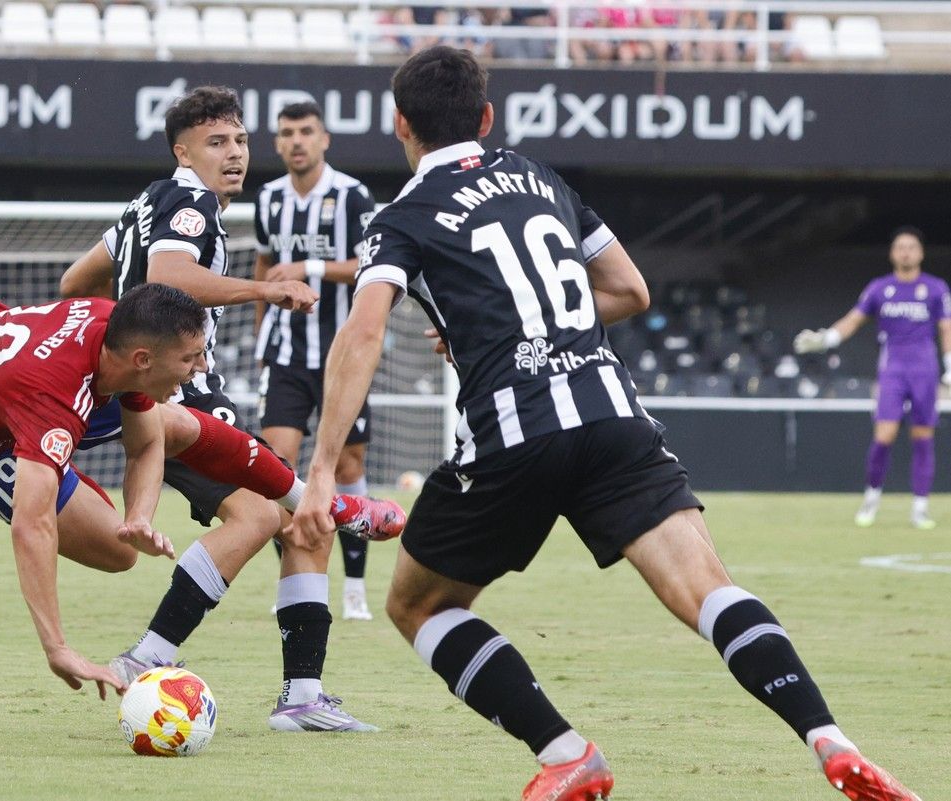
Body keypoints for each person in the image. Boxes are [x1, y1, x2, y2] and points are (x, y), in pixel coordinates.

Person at [293, 46, 922, 801]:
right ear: (487, 118)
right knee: (710, 592)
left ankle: (566, 752)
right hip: (613, 416)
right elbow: (628, 288)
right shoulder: (540, 179)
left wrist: (323, 469)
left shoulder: (402, 217)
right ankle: (831, 738)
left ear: (400, 124)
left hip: (513, 432)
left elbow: (361, 335)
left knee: (417, 604)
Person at [60, 86, 401, 732]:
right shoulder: (188, 198)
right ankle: (162, 660)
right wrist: (264, 287)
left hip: (158, 393)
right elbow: (168, 278)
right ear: (182, 151)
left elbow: (75, 283)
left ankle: (292, 689)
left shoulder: (144, 203)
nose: (235, 153)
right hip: (181, 395)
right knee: (271, 515)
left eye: (240, 140)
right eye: (217, 142)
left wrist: (121, 349)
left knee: (293, 521)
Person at [0, 283, 396, 698]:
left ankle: (319, 500)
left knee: (178, 423)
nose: (200, 369)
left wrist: (140, 514)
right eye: (189, 358)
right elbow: (30, 525)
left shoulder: (114, 333)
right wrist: (58, 648)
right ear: (144, 359)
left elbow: (145, 448)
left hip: (7, 366)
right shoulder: (54, 401)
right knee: (115, 553)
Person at [253, 100, 379, 621]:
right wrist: (263, 324)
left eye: (306, 131)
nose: (297, 140)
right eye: (287, 133)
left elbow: (372, 265)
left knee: (347, 465)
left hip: (340, 356)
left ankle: (354, 585)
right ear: (278, 143)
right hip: (284, 356)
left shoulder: (352, 195)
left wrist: (309, 265)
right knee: (277, 471)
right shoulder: (267, 199)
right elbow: (264, 262)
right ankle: (301, 583)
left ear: (324, 139)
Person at [795, 226, 951, 530]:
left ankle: (920, 508)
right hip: (892, 371)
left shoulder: (935, 288)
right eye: (900, 247)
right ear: (892, 253)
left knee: (922, 438)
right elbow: (854, 319)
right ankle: (871, 498)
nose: (906, 251)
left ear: (920, 252)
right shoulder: (880, 288)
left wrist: (950, 362)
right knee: (884, 436)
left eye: (911, 247)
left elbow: (947, 328)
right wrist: (826, 338)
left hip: (925, 371)